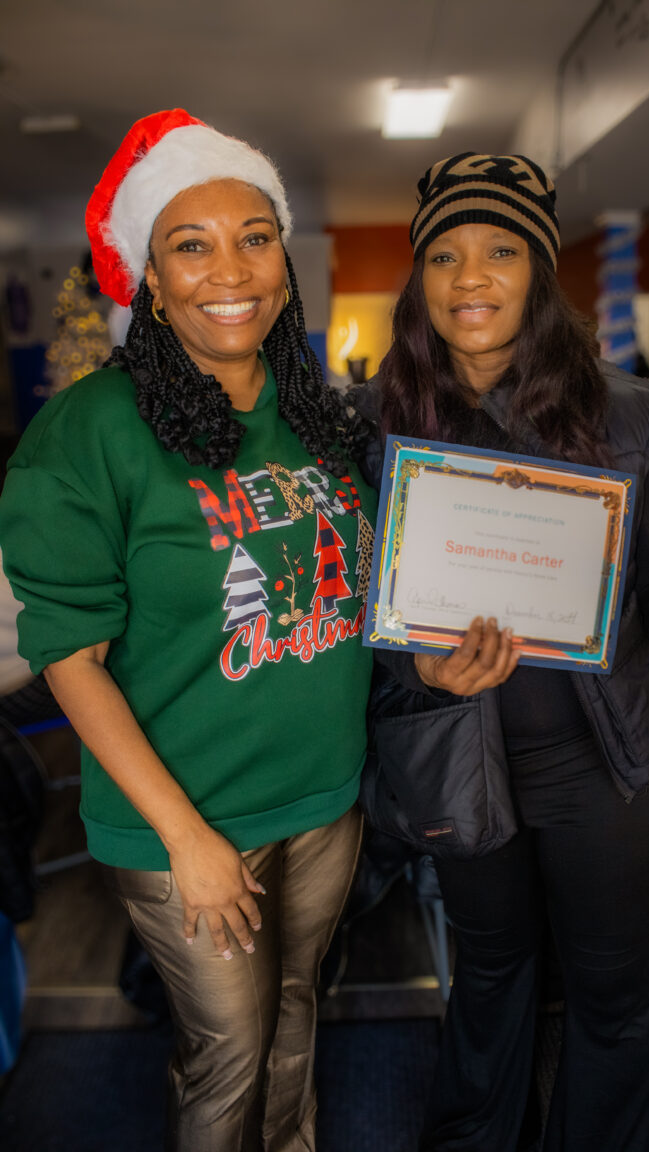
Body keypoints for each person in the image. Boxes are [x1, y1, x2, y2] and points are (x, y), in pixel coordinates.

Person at [0, 109, 374, 1152]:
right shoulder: (88, 435)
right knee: (227, 1056)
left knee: (299, 1011)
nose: (232, 269)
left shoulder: (316, 414)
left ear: (285, 258)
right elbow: (68, 659)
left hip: (325, 795)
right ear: (149, 278)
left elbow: (351, 587)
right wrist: (188, 840)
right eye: (191, 244)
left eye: (255, 236)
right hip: (192, 820)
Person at [356, 154, 649, 1152]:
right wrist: (423, 670)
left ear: (536, 270)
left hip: (606, 765)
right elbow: (368, 617)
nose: (470, 275)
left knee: (612, 989)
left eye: (498, 249)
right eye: (442, 255)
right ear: (418, 281)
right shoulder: (376, 426)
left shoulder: (628, 413)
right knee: (490, 977)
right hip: (461, 763)